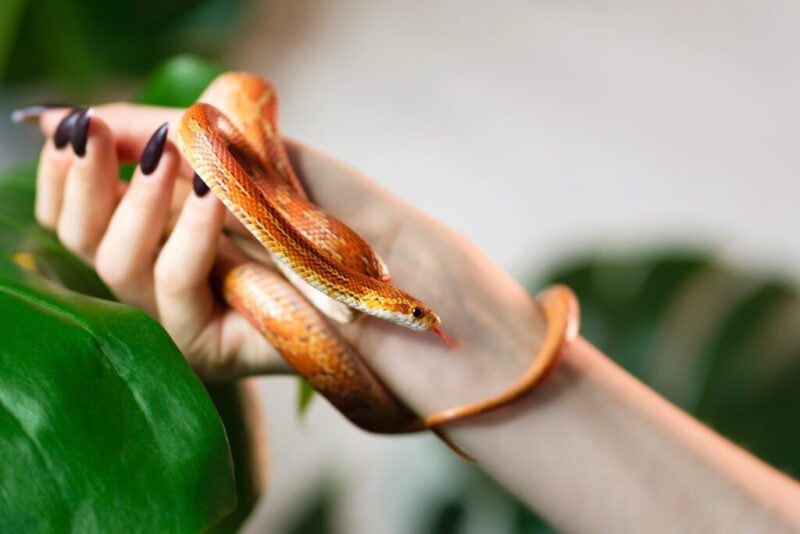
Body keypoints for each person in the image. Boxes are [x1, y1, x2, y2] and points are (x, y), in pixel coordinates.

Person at [17, 103, 800, 532]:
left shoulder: (352, 269)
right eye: (414, 311)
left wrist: (467, 334)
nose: (419, 315)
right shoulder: (351, 270)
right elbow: (223, 139)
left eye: (415, 310)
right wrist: (466, 326)